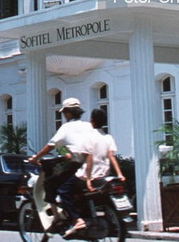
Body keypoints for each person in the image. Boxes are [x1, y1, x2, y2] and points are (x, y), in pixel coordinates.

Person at [27, 97, 94, 238]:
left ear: (68, 113)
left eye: (64, 113)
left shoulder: (66, 127)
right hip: (92, 165)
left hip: (77, 166)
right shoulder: (88, 125)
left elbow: (49, 146)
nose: (64, 115)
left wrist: (35, 158)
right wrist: (66, 156)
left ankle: (70, 218)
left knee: (52, 185)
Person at [83, 108, 124, 192]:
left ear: (91, 120)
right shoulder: (108, 137)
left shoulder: (88, 137)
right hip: (105, 176)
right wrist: (120, 174)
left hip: (91, 177)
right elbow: (111, 156)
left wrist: (88, 179)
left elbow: (89, 158)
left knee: (65, 188)